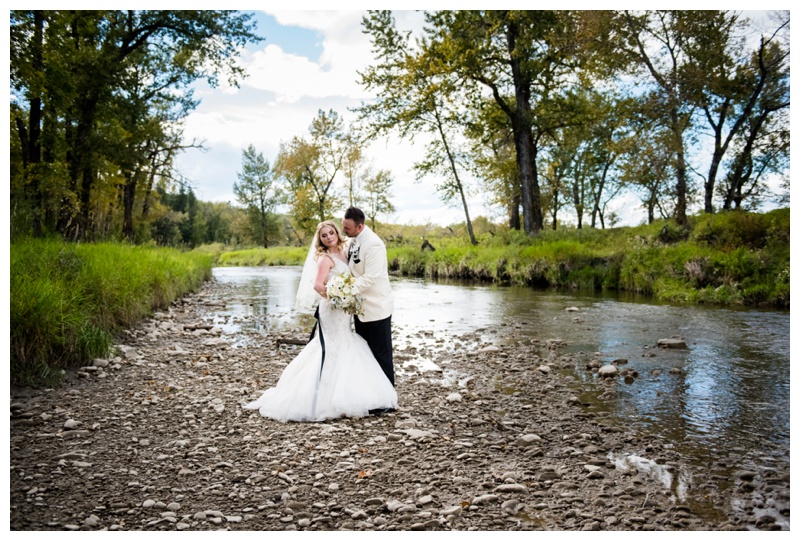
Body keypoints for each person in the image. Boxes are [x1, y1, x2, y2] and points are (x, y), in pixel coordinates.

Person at [244, 220, 397, 422]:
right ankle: (321, 398)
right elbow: (317, 285)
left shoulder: (345, 251)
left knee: (347, 343)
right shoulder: (324, 258)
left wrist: (345, 298)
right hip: (332, 309)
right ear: (320, 239)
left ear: (337, 233)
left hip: (343, 310)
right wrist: (335, 298)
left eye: (331, 233)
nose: (329, 237)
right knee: (331, 346)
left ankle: (350, 393)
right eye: (324, 235)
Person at [341, 207, 396, 415]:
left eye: (347, 228)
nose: (343, 230)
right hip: (359, 307)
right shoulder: (353, 239)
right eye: (342, 226)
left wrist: (344, 291)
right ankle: (371, 397)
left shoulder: (374, 244)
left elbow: (371, 277)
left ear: (360, 226)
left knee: (381, 355)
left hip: (376, 307)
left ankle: (387, 401)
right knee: (365, 354)